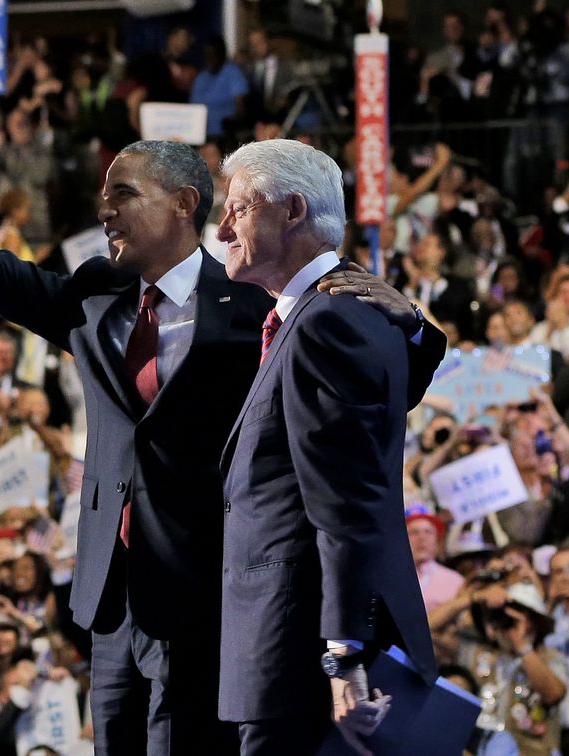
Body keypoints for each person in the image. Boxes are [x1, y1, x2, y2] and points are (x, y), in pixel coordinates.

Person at [0, 64, 445, 754]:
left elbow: (362, 398)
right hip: (109, 603)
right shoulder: (94, 297)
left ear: (183, 202)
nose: (104, 209)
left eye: (122, 193)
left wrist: (415, 328)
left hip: (205, 595)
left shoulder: (257, 300)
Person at [215, 138, 444, 754]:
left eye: (237, 207)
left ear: (291, 211)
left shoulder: (326, 320)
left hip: (300, 657)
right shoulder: (356, 311)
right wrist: (422, 329)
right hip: (297, 650)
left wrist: (342, 653)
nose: (221, 225)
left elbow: (347, 497)